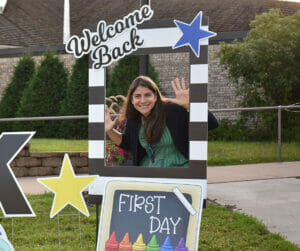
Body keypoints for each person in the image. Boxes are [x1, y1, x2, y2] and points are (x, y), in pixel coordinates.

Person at [105, 76, 218, 167]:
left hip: (181, 170)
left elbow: (212, 123)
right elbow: (127, 143)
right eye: (138, 96)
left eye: (147, 95)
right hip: (149, 171)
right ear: (132, 100)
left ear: (155, 96)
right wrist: (110, 131)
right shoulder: (134, 119)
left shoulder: (173, 111)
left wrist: (190, 106)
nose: (143, 100)